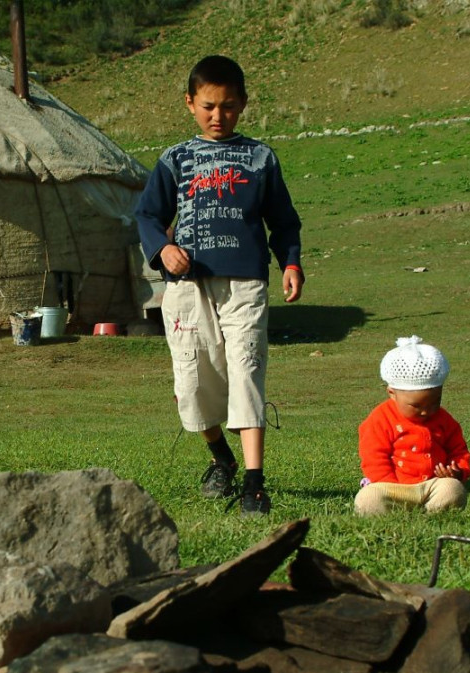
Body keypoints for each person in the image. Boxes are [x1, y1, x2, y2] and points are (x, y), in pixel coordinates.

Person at [135, 55, 304, 516]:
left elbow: (284, 221)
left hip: (245, 283)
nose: (218, 116)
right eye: (208, 106)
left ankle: (254, 483)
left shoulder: (260, 159)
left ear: (243, 104)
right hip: (188, 286)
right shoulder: (174, 160)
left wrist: (290, 262)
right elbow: (147, 215)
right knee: (193, 383)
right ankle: (221, 460)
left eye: (228, 106)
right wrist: (162, 249)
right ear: (190, 103)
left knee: (247, 370)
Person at [354, 336, 470, 516]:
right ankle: (393, 512)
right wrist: (389, 485)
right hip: (390, 487)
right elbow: (374, 457)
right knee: (368, 499)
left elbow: (458, 450)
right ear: (392, 393)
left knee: (453, 489)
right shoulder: (381, 419)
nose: (426, 411)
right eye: (416, 406)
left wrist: (457, 472)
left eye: (435, 402)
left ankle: (433, 512)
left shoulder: (444, 419)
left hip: (431, 485)